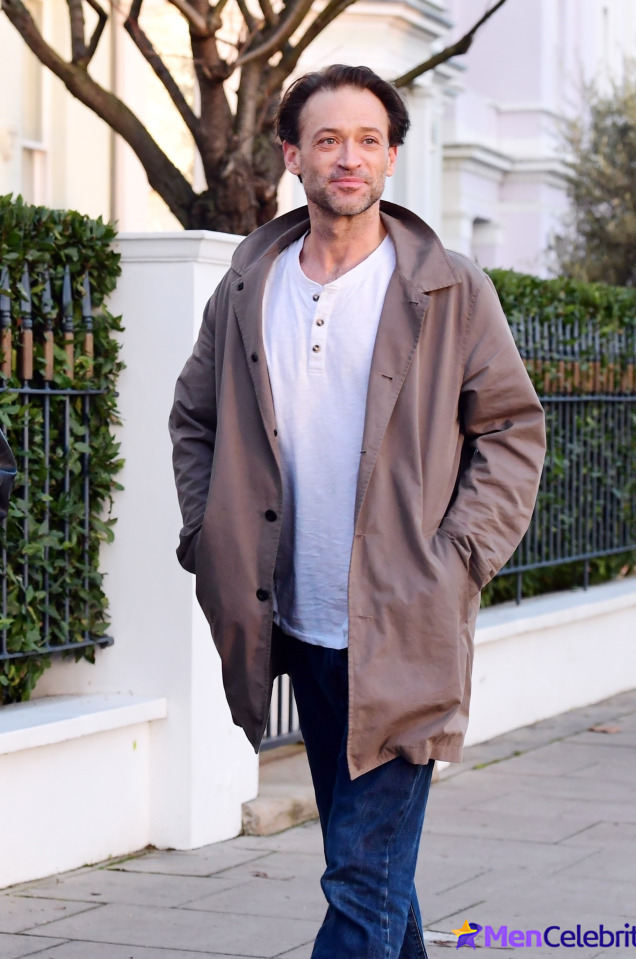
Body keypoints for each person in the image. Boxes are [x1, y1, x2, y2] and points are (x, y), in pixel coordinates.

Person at [169, 64, 546, 959]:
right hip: (296, 619)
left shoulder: (451, 290)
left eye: (369, 140)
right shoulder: (248, 286)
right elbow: (195, 419)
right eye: (329, 139)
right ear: (293, 155)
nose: (350, 157)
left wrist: (456, 557)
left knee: (358, 879)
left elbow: (511, 430)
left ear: (392, 157)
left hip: (404, 625)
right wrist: (208, 535)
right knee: (370, 871)